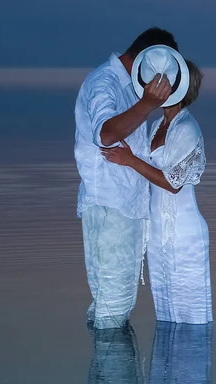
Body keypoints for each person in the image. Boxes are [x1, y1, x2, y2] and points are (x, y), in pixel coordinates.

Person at [74, 27, 179, 330]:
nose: (160, 84)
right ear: (148, 60)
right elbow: (105, 134)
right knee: (113, 307)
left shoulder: (126, 87)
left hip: (122, 209)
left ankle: (106, 373)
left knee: (113, 304)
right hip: (110, 209)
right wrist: (146, 104)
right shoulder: (104, 82)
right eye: (160, 75)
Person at [101, 54, 213, 324]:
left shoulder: (187, 128)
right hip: (158, 232)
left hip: (184, 234)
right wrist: (130, 158)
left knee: (190, 317)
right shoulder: (157, 126)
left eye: (165, 80)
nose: (157, 85)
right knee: (167, 314)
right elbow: (153, 172)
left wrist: (131, 161)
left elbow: (172, 183)